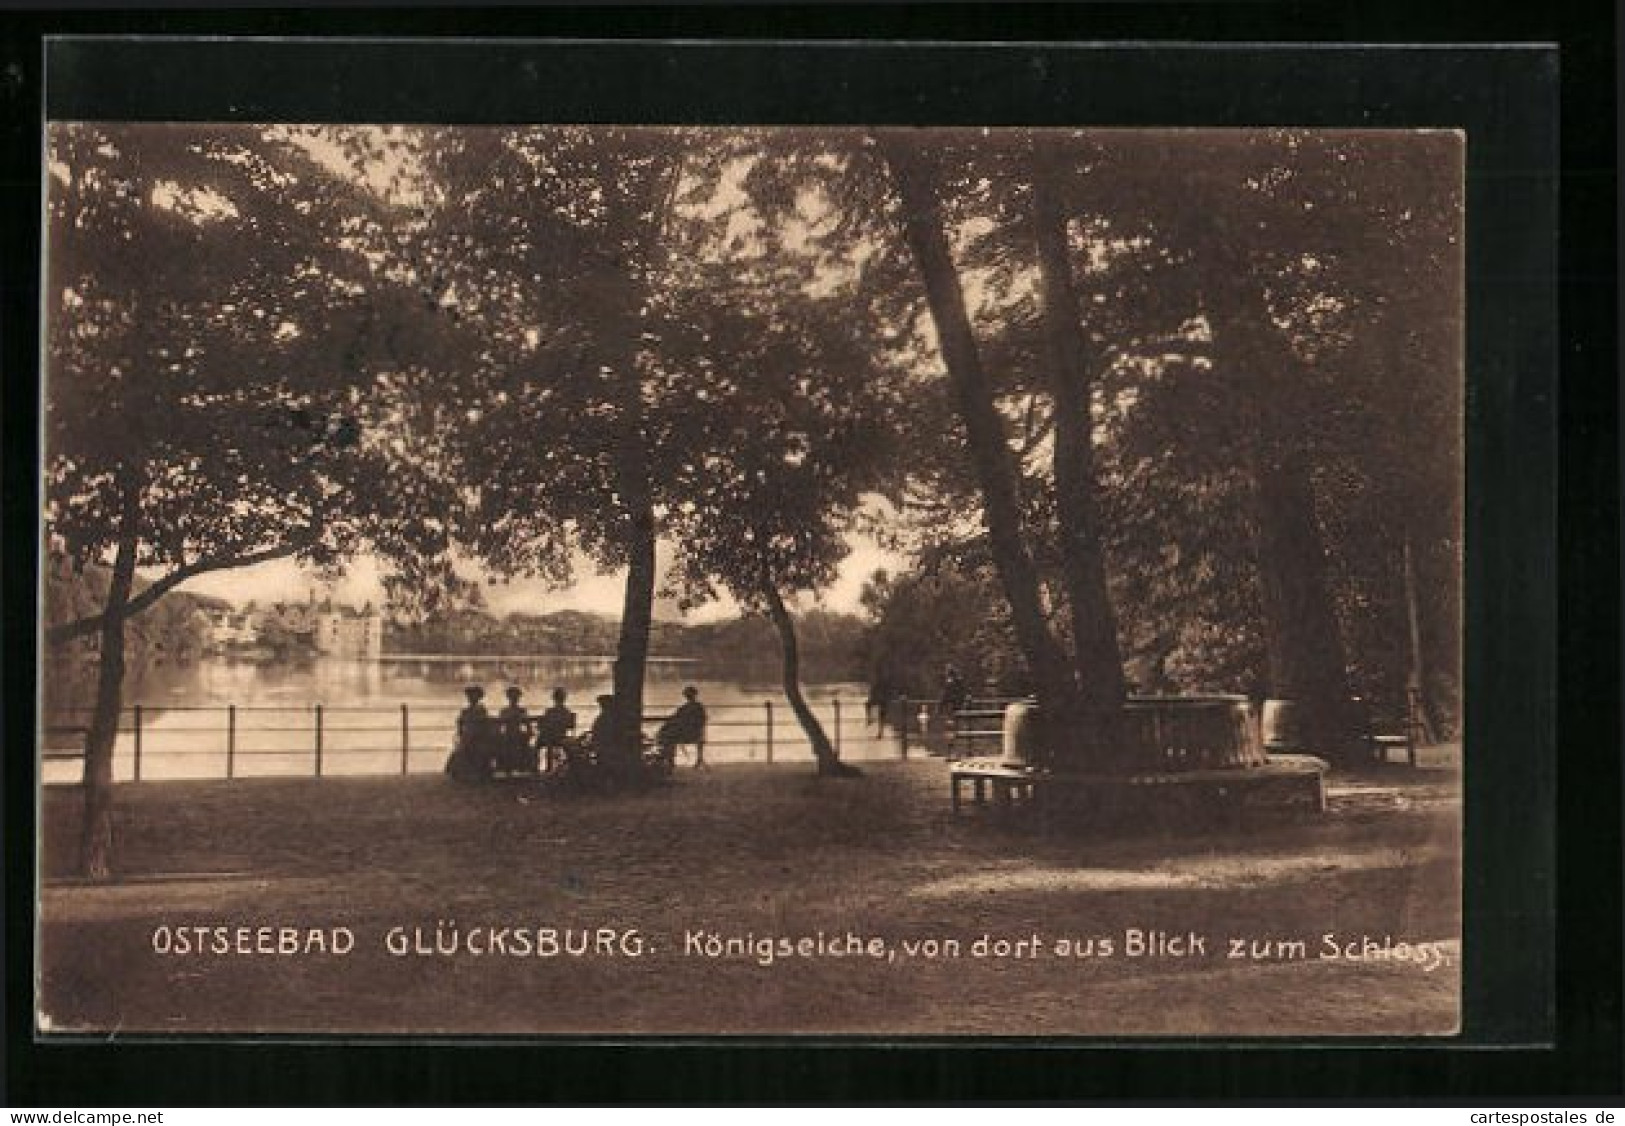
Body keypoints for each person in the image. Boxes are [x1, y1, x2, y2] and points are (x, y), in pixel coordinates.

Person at [445, 685, 493, 782]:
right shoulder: (465, 711)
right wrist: (461, 732)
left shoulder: (481, 710)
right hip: (468, 735)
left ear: (479, 698)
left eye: (474, 697)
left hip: (479, 735)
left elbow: (485, 724)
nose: (471, 699)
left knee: (479, 748)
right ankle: (463, 771)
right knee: (461, 749)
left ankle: (479, 771)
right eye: (470, 697)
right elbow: (460, 723)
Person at [656, 685, 708, 768]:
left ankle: (670, 760)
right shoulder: (693, 707)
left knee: (667, 736)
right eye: (687, 695)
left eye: (689, 694)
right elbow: (676, 718)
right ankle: (669, 759)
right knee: (667, 734)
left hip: (690, 734)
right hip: (691, 733)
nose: (688, 696)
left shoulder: (691, 707)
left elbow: (676, 718)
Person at [533, 687, 576, 773]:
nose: (558, 700)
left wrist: (545, 727)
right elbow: (542, 723)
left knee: (543, 743)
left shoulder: (564, 712)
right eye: (557, 698)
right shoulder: (553, 711)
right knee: (539, 742)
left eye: (559, 698)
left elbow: (569, 725)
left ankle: (546, 767)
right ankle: (536, 767)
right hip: (551, 735)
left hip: (558, 736)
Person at [497, 686, 537, 774]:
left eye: (515, 697)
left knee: (514, 741)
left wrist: (529, 733)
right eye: (513, 697)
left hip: (513, 735)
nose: (514, 699)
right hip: (511, 735)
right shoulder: (508, 711)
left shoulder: (513, 711)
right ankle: (511, 767)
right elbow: (499, 726)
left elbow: (528, 725)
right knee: (512, 741)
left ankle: (513, 767)